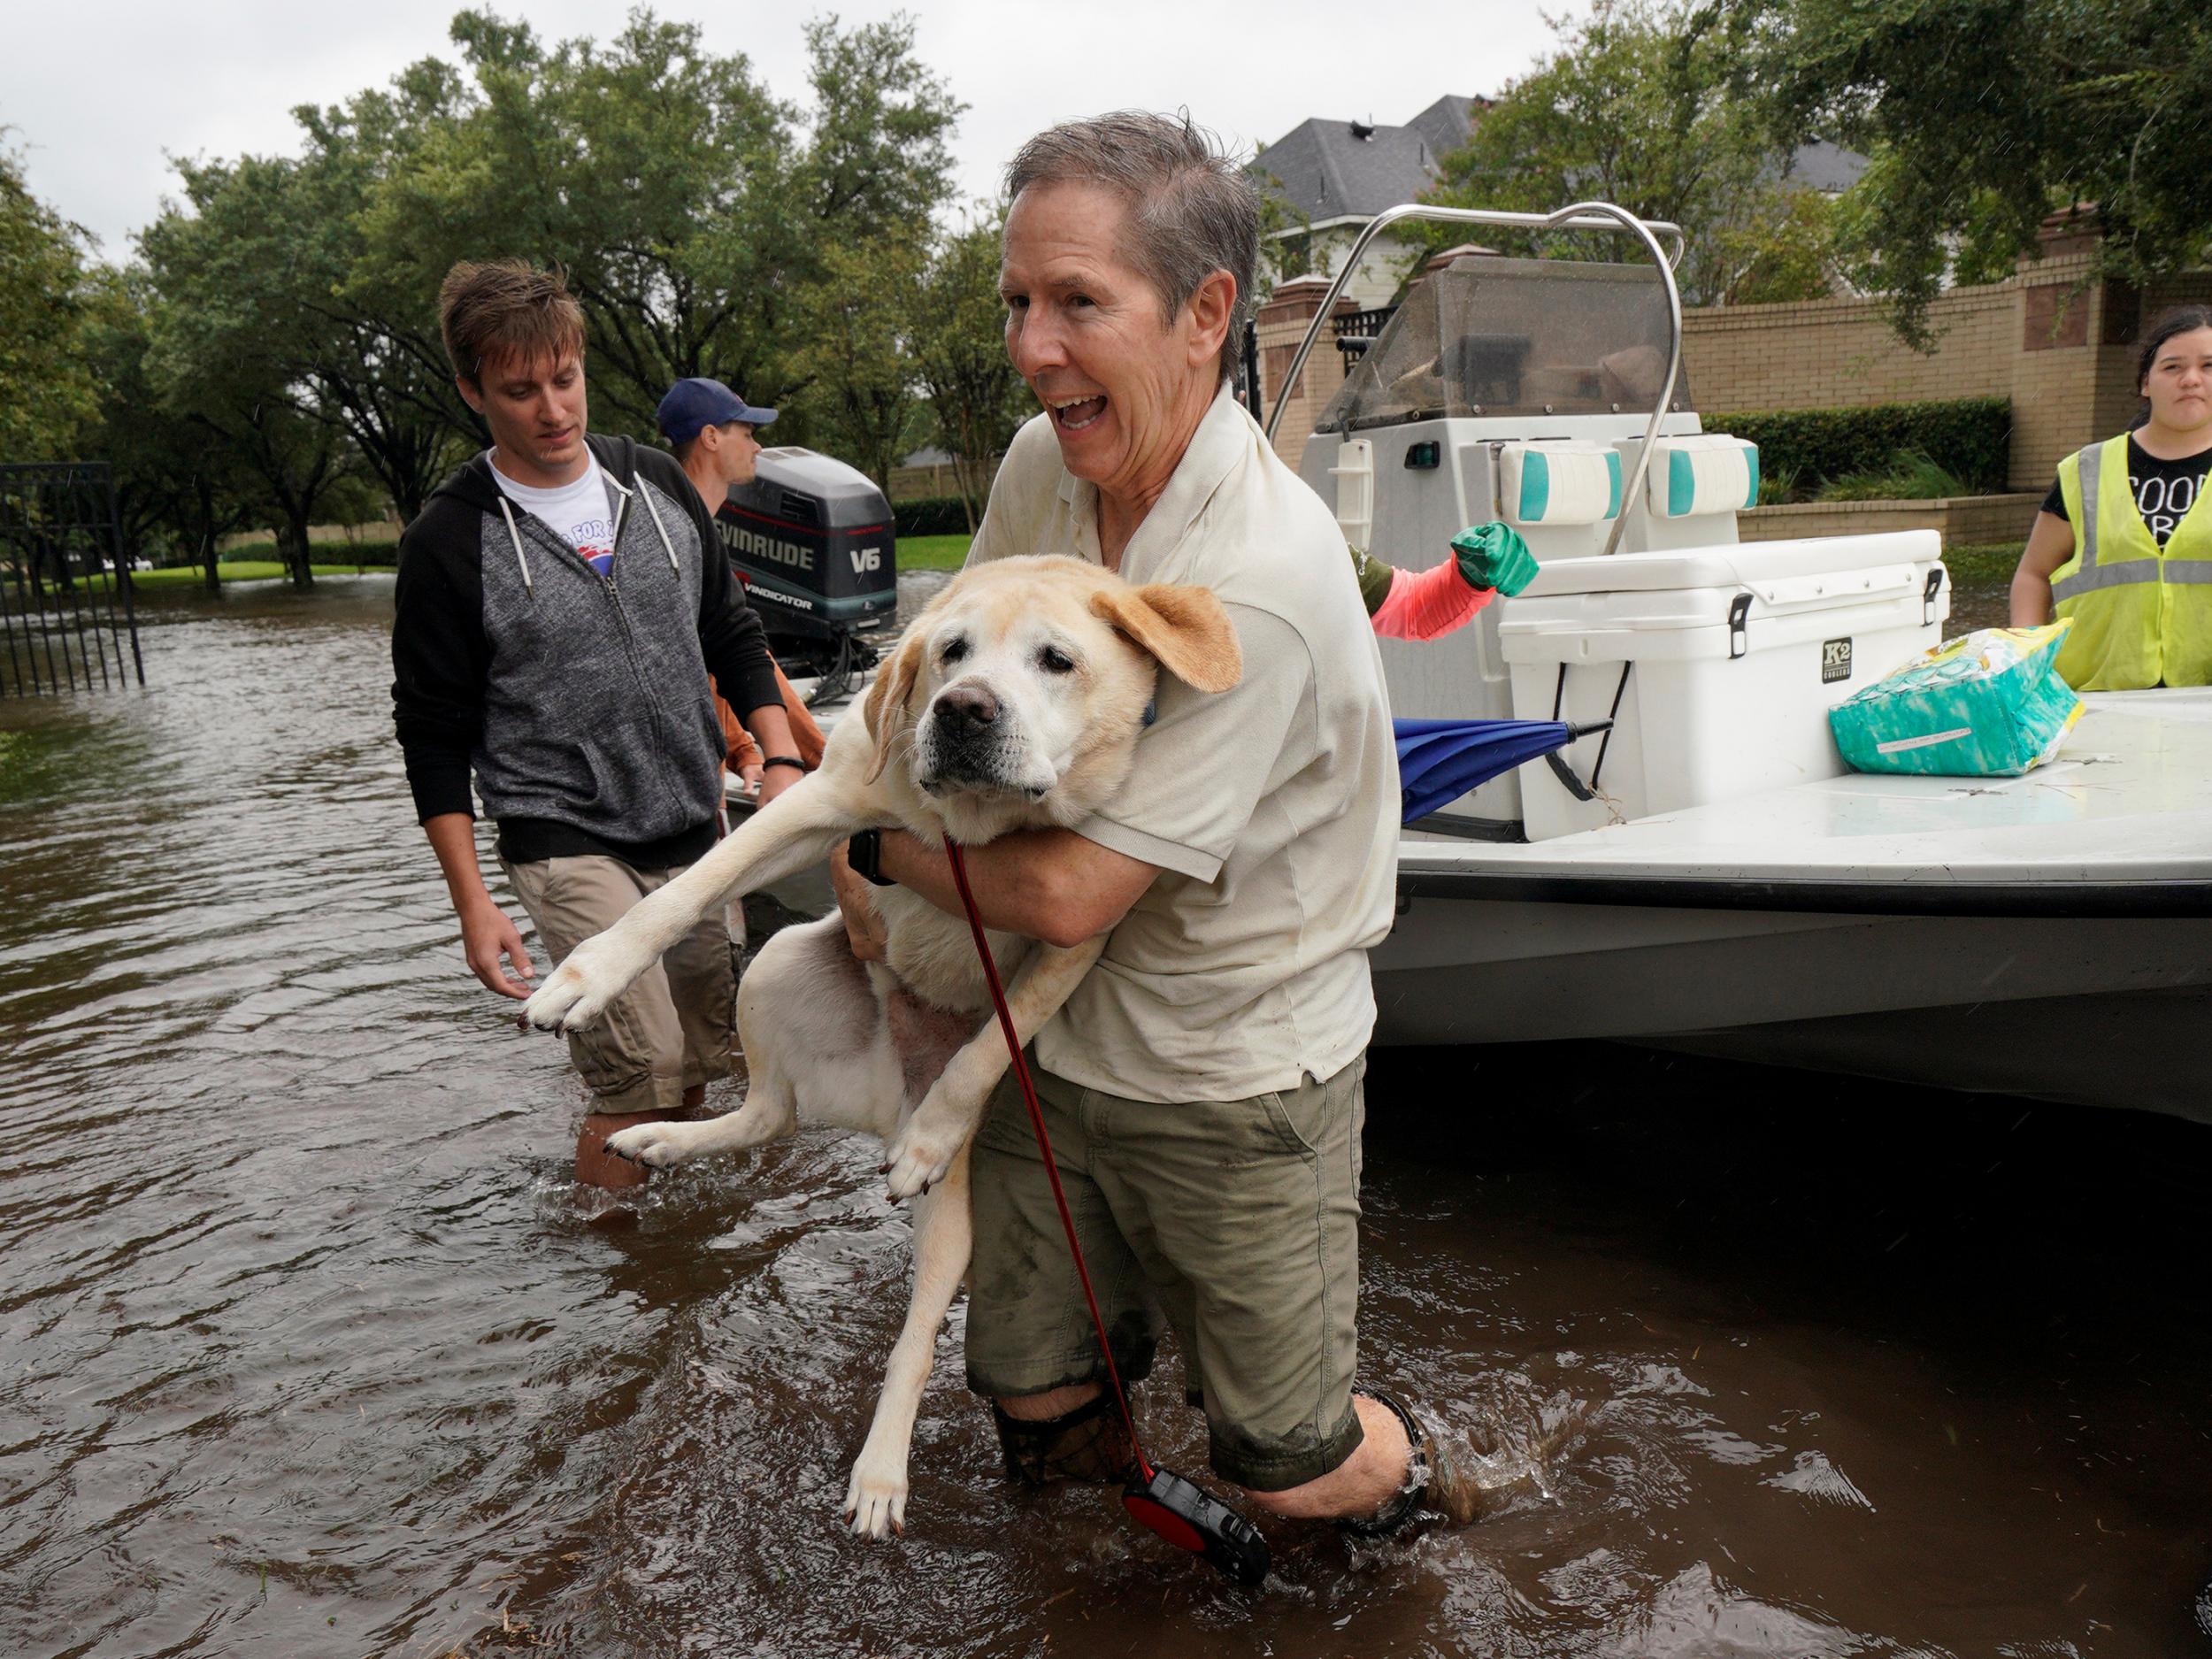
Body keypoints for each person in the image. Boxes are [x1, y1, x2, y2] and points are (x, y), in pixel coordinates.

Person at [830, 112, 1479, 1534]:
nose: (1031, 346)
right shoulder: (1038, 472)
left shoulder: (1263, 574)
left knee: (1290, 1461)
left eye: (1076, 303)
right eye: (1016, 302)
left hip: (1229, 1061)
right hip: (1046, 1039)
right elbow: (954, 695)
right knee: (1035, 1391)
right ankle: (1104, 1591)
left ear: (1205, 316)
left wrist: (872, 850)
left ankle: (1444, 1488)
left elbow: (1065, 890)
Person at [391, 260, 798, 1192]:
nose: (551, 409)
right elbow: (431, 735)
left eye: (563, 379)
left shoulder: (653, 483)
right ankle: (610, 1276)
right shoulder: (449, 543)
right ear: (472, 391)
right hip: (562, 835)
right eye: (519, 390)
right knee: (639, 1071)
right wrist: (472, 903)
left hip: (692, 828)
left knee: (702, 1060)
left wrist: (776, 756)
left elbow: (729, 632)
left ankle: (686, 1264)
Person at [2010, 303, 2212, 688]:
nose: (2191, 380)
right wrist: (2027, 663)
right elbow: (2033, 574)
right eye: (2172, 367)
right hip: (2097, 694)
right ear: (2145, 383)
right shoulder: (2085, 470)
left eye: (2208, 366)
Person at [656, 375, 829, 795]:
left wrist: (745, 751)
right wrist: (823, 764)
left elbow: (725, 659)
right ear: (711, 437)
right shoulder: (671, 539)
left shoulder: (691, 528)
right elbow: (707, 661)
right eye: (748, 433)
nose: (758, 447)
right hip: (678, 785)